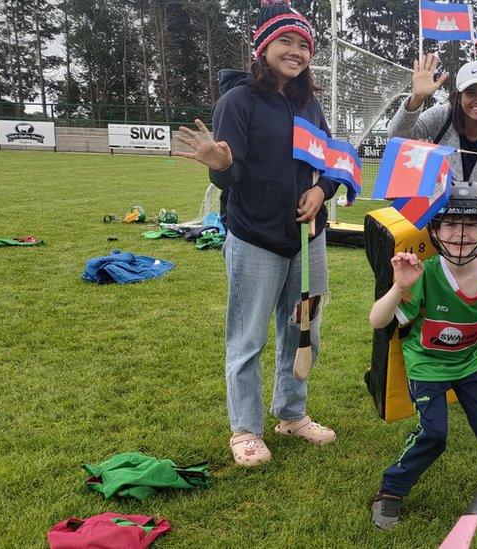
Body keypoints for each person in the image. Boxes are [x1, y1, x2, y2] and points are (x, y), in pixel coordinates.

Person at [173, 0, 337, 467]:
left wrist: (322, 192)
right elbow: (229, 174)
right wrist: (221, 166)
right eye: (286, 41)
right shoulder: (237, 101)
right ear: (263, 46)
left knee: (304, 328)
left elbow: (328, 163)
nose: (296, 50)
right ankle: (245, 429)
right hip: (255, 239)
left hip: (309, 238)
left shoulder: (310, 103)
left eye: (304, 44)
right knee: (248, 337)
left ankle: (291, 413)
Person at [368, 182, 477, 530]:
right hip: (428, 365)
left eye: (471, 225)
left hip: (470, 362)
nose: (461, 235)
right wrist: (399, 286)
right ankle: (391, 491)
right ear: (435, 228)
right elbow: (378, 320)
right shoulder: (425, 273)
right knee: (434, 434)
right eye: (450, 224)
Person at [388, 55, 477, 186]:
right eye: (470, 93)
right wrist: (417, 98)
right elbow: (397, 136)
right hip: (432, 205)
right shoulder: (443, 115)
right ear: (459, 98)